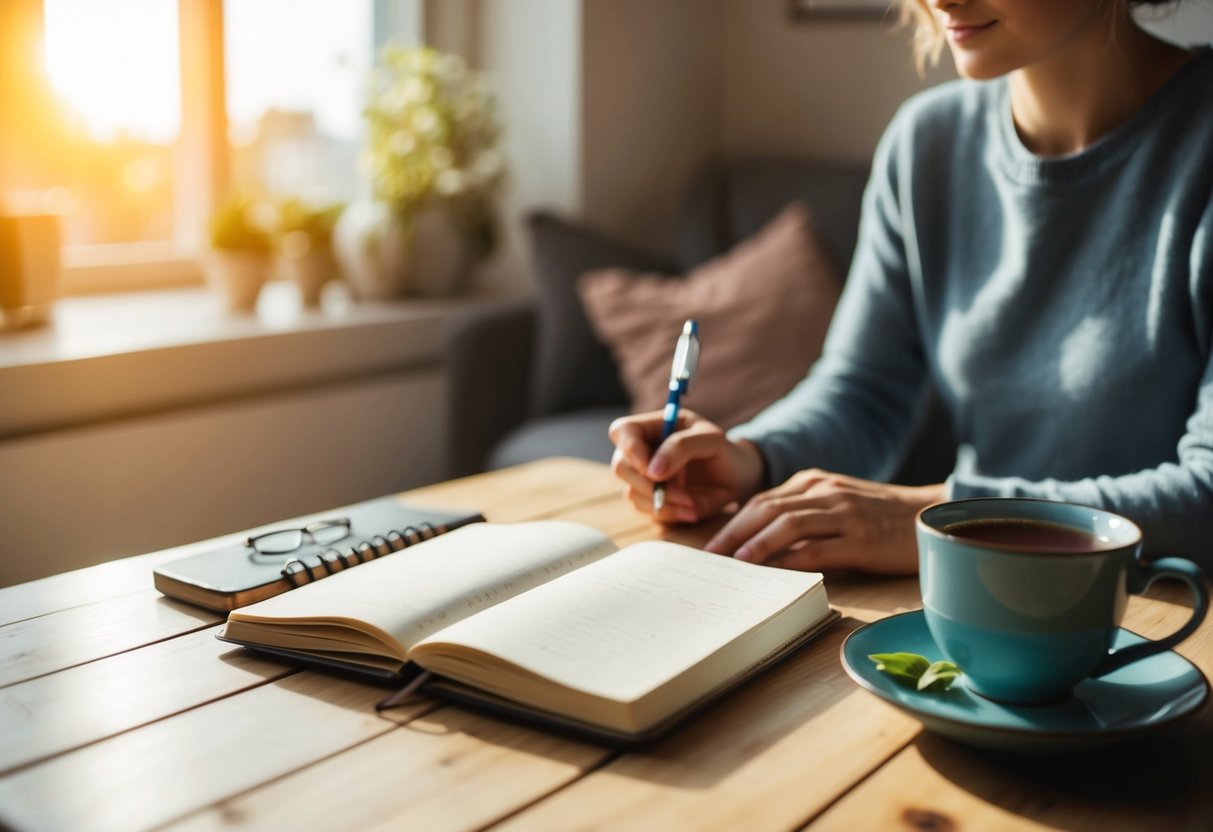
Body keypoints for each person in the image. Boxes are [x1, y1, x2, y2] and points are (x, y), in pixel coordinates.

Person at [607, 0, 1213, 574]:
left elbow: (1205, 495)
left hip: (1172, 620)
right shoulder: (926, 144)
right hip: (981, 605)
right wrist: (748, 458)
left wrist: (939, 521)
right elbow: (864, 394)